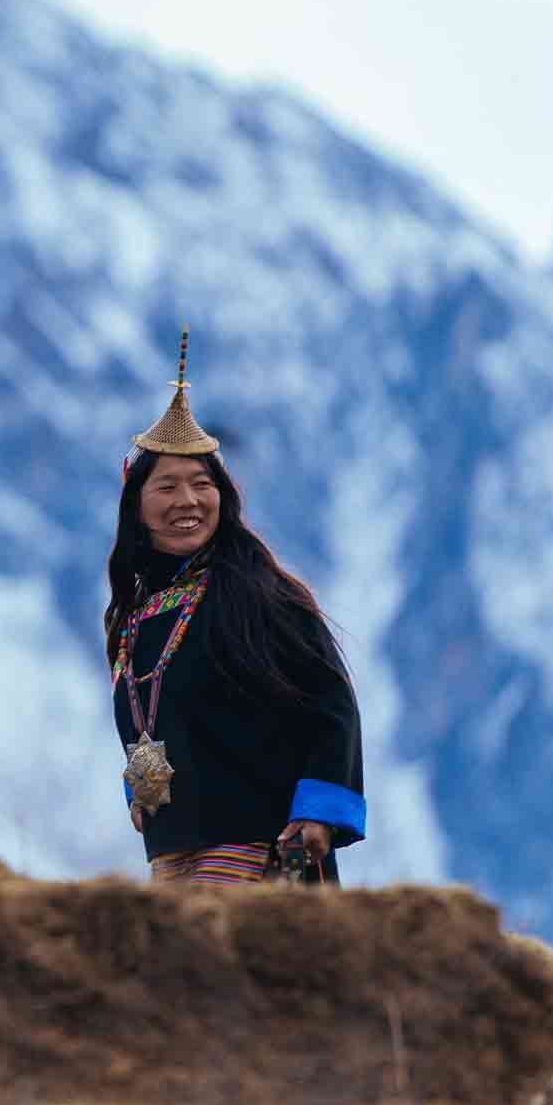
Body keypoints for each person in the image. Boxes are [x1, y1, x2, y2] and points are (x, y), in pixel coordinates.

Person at [107, 334, 364, 885]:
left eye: (202, 484)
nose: (188, 501)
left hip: (257, 840)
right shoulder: (136, 614)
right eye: (167, 486)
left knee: (216, 964)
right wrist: (141, 790)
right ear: (137, 506)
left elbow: (330, 702)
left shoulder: (259, 594)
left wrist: (317, 811)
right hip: (173, 845)